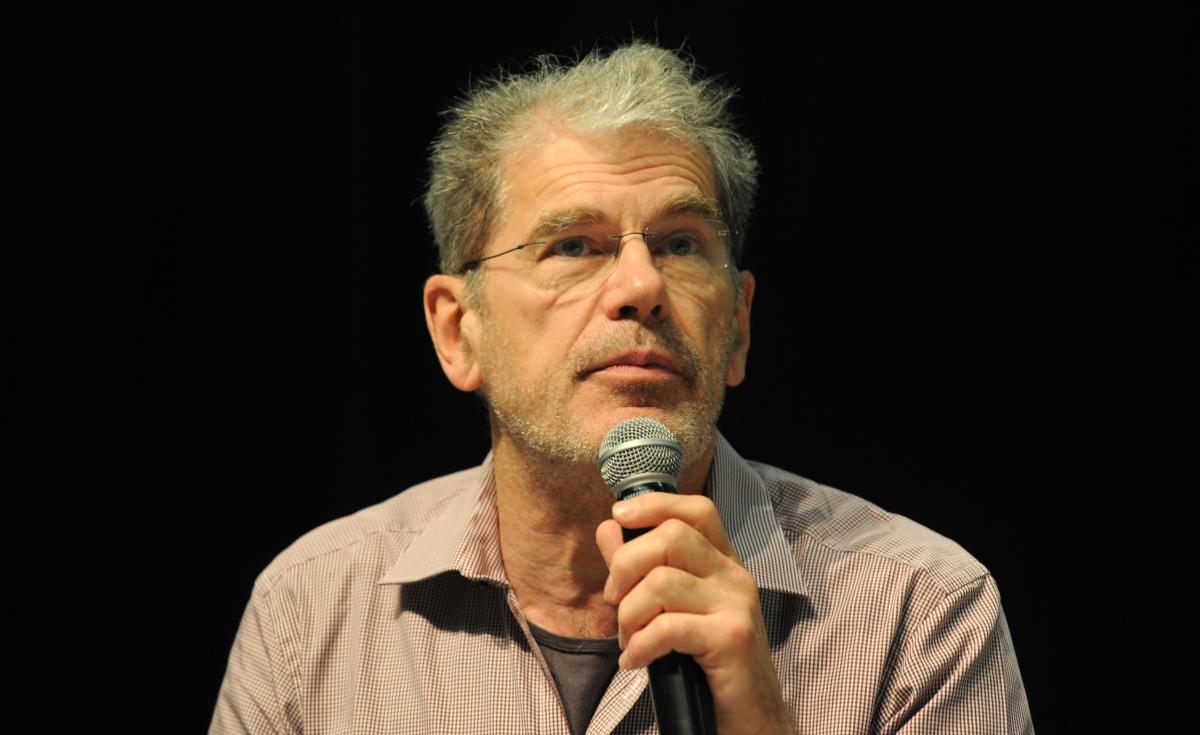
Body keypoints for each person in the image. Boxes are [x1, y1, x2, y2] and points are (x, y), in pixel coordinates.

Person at [210, 42, 1032, 734]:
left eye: (681, 243)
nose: (642, 285)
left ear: (738, 326)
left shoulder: (919, 615)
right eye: (574, 245)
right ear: (459, 331)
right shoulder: (310, 614)